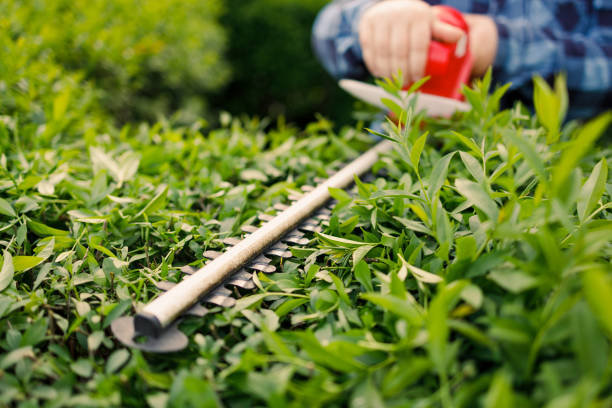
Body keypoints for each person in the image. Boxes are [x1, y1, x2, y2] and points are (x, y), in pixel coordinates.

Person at [312, 0, 612, 119]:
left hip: (548, 174)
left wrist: (496, 46)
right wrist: (371, 15)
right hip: (396, 161)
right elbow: (326, 28)